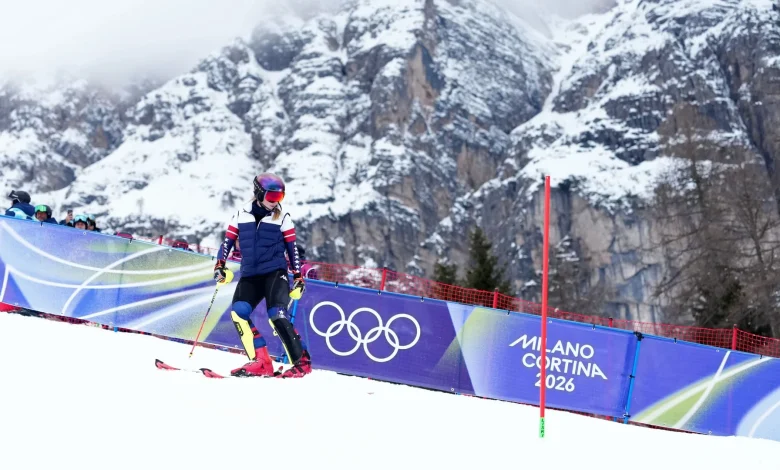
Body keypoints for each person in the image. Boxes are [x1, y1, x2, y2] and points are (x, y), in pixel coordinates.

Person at [213, 172, 310, 378]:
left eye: (280, 198)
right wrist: (220, 265)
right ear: (259, 193)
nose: (276, 202)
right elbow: (228, 242)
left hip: (274, 273)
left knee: (276, 314)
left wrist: (298, 277)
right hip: (251, 274)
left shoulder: (283, 218)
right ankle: (262, 361)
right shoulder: (241, 214)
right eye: (272, 197)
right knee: (238, 312)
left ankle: (302, 362)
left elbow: (292, 250)